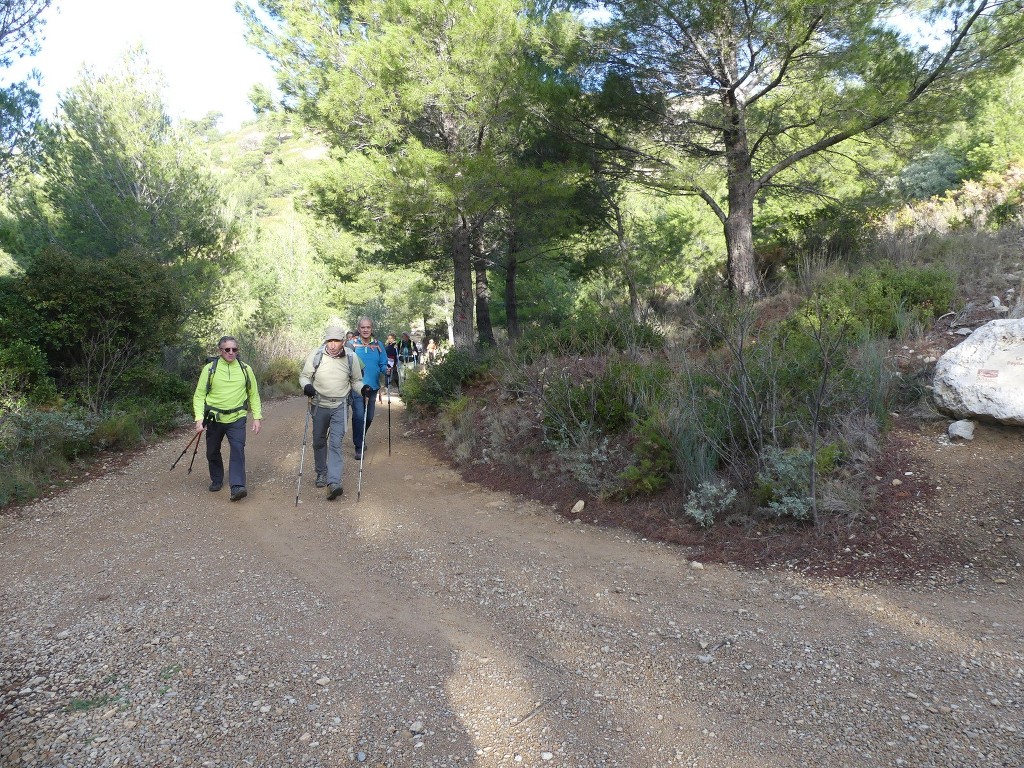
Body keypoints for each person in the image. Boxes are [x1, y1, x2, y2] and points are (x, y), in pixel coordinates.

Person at [299, 325, 367, 500]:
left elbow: (356, 382)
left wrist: (363, 390)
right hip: (319, 403)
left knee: (336, 443)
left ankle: (333, 482)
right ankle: (321, 472)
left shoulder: (351, 357)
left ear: (343, 342)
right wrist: (306, 386)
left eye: (336, 341)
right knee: (319, 440)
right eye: (329, 340)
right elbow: (304, 376)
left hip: (340, 406)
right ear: (326, 340)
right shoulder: (317, 355)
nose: (332, 345)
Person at [192, 336, 262, 501]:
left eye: (234, 350)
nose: (231, 353)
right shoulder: (210, 369)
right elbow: (199, 395)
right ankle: (216, 479)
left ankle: (237, 486)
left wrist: (257, 417)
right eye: (227, 350)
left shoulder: (246, 369)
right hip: (214, 417)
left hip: (237, 417)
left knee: (238, 449)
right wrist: (199, 418)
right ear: (220, 351)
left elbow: (254, 394)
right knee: (212, 451)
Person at [346, 316, 388, 460]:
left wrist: (386, 370)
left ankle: (361, 436)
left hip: (373, 386)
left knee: (368, 417)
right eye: (363, 327)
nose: (365, 330)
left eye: (368, 327)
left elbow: (383, 364)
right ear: (358, 329)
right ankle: (359, 446)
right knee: (358, 415)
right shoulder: (351, 344)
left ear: (372, 329)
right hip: (357, 387)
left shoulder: (379, 345)